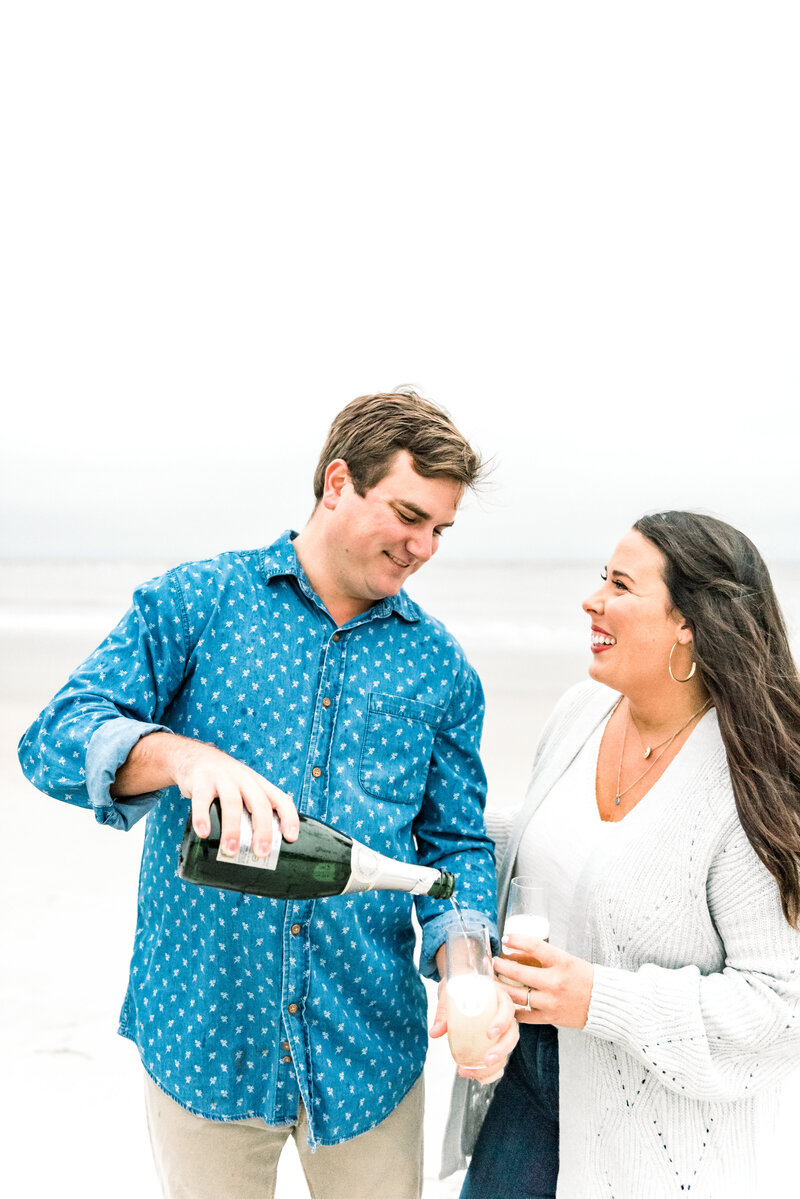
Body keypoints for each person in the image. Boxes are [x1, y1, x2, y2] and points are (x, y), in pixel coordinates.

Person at [19, 389, 518, 1199]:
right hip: (204, 1033)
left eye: (441, 529)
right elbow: (53, 738)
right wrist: (174, 753)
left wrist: (468, 967)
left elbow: (453, 846)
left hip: (367, 1051)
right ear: (336, 483)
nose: (425, 546)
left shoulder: (442, 668)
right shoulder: (197, 602)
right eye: (408, 514)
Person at [443, 511, 800, 1199]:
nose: (592, 599)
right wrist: (413, 825)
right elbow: (537, 844)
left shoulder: (751, 783)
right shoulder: (582, 711)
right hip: (529, 1082)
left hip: (650, 1136)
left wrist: (598, 998)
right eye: (599, 579)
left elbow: (780, 1005)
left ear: (688, 623)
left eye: (620, 585)